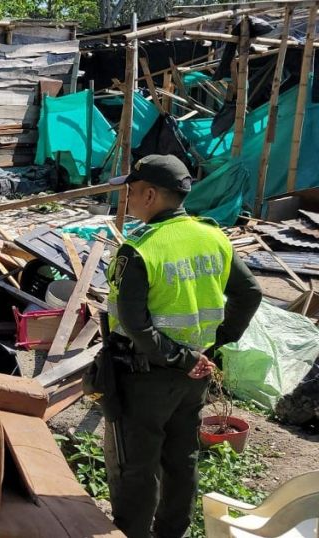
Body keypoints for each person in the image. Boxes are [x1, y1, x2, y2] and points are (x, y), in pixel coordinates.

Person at [102, 154, 263, 538]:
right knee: (181, 457)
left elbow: (133, 322)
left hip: (146, 377)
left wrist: (177, 357)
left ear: (152, 194)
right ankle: (171, 532)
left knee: (135, 465)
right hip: (194, 377)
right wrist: (213, 346)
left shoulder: (141, 249)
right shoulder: (214, 236)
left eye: (133, 192)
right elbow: (251, 293)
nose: (129, 199)